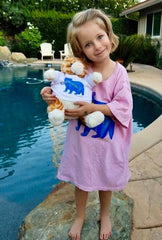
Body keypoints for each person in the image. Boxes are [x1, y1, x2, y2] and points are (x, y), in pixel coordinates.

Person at [41, 8, 133, 240]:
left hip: (107, 142)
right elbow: (62, 88)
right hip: (82, 143)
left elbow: (124, 107)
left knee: (106, 180)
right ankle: (80, 216)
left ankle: (105, 213)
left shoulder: (119, 73)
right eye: (88, 44)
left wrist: (94, 109)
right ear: (81, 50)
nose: (97, 46)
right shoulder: (81, 71)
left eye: (100, 37)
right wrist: (49, 93)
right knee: (81, 181)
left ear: (109, 36)